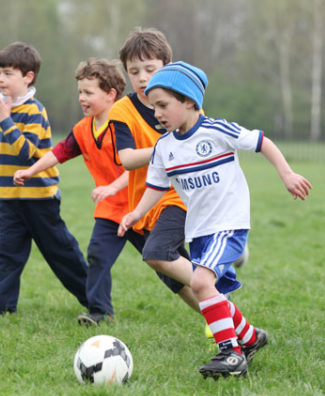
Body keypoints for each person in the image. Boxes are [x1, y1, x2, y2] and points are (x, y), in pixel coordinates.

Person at [118, 61, 312, 378]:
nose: (157, 114)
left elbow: (262, 142)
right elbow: (156, 186)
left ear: (190, 101)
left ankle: (231, 354)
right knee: (211, 291)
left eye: (164, 105)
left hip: (229, 224)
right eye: (154, 107)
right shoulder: (164, 148)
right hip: (200, 232)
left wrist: (287, 174)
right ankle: (250, 337)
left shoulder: (217, 130)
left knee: (199, 282)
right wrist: (136, 213)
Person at [13, 58, 142, 325]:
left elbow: (144, 167)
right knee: (97, 254)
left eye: (88, 92)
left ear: (110, 95)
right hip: (110, 209)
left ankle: (208, 292)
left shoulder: (124, 126)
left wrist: (113, 186)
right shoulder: (84, 129)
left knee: (167, 263)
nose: (82, 98)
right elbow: (60, 152)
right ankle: (99, 311)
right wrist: (31, 170)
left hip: (142, 206)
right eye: (80, 92)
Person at [0, 42, 89, 316]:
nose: (0, 79)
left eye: (7, 73)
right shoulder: (6, 109)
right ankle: (1, 308)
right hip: (9, 199)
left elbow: (28, 154)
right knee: (7, 254)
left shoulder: (34, 111)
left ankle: (96, 300)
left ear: (28, 77)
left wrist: (6, 119)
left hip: (40, 199)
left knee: (61, 253)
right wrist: (5, 116)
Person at [108, 28, 201, 315]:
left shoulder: (184, 102)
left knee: (158, 254)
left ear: (166, 68)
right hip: (143, 205)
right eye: (133, 71)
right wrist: (167, 148)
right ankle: (226, 320)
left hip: (180, 197)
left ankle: (223, 307)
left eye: (150, 69)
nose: (142, 78)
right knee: (175, 278)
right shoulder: (122, 111)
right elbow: (127, 159)